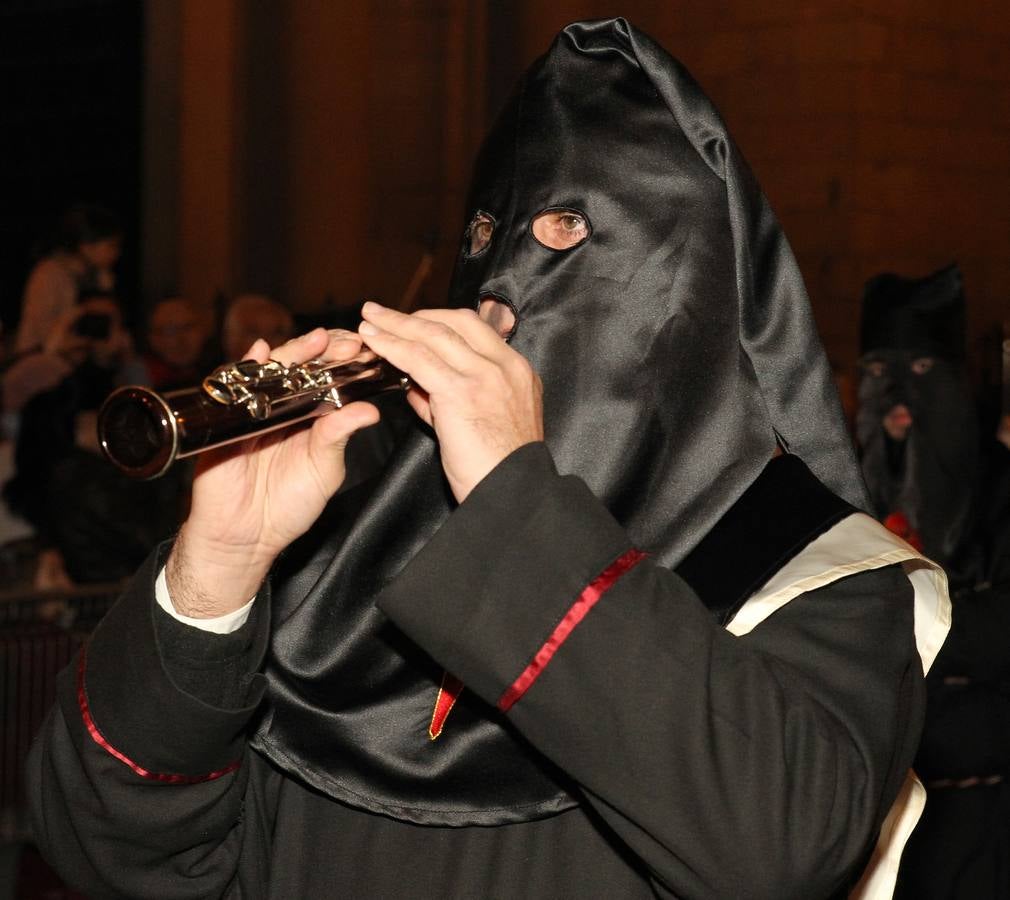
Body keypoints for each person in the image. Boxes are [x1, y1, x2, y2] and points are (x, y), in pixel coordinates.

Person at [28, 19, 948, 898]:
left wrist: (514, 495)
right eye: (484, 239)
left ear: (691, 294)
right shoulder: (335, 546)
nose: (501, 297)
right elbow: (110, 852)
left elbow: (778, 852)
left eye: (565, 237)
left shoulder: (816, 576)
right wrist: (215, 575)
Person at [857, 266, 1010, 899]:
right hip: (871, 816)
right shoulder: (843, 488)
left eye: (920, 371)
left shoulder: (1001, 486)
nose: (896, 393)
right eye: (875, 372)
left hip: (980, 821)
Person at [15, 205, 123, 355]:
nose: (116, 253)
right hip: (41, 359)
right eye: (111, 246)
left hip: (81, 358)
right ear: (86, 246)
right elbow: (42, 332)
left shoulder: (101, 276)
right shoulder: (49, 274)